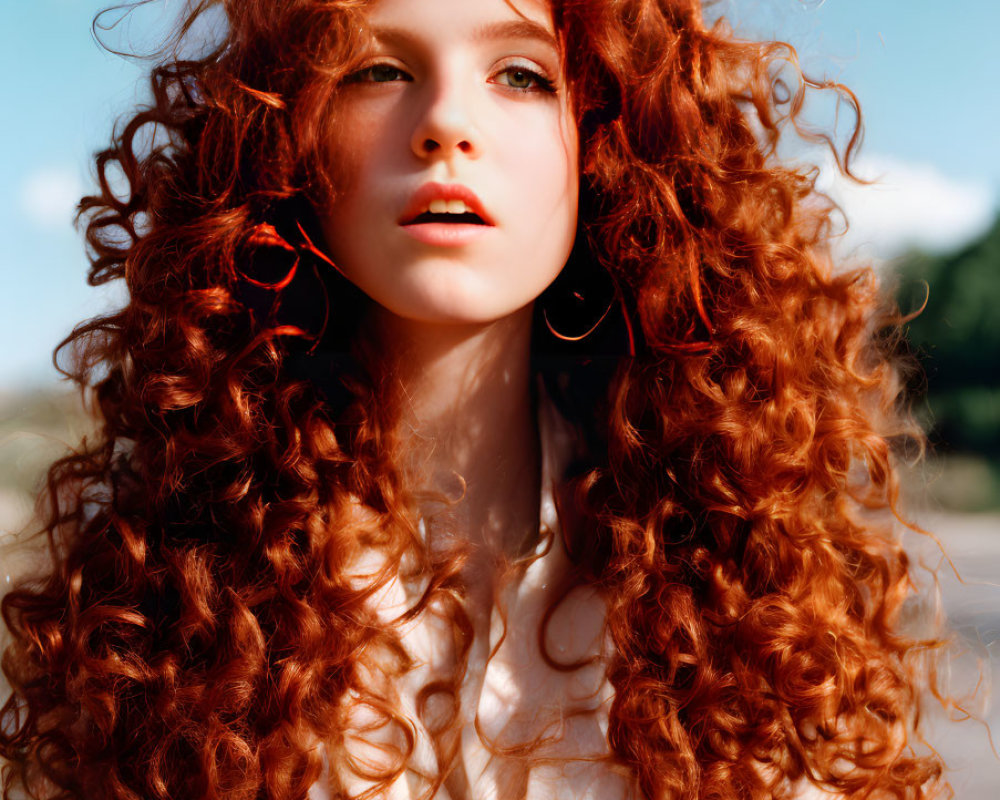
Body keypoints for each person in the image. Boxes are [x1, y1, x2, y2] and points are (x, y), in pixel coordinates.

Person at [0, 0, 952, 797]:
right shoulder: (166, 614)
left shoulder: (734, 596)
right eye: (376, 70)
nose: (446, 122)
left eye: (524, 76)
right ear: (284, 141)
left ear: (612, 146)